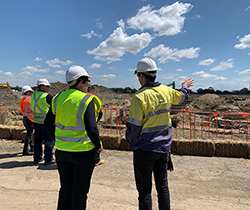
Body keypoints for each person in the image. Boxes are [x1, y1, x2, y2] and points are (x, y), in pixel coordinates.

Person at [126, 57, 194, 210]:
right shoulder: (166, 91)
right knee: (162, 187)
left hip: (144, 149)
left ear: (141, 76)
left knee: (144, 192)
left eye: (138, 76)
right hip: (163, 149)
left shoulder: (139, 97)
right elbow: (183, 97)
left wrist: (132, 144)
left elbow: (133, 127)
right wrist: (184, 86)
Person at [44, 65, 103, 210]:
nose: (88, 85)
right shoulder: (86, 100)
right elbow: (92, 128)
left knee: (65, 189)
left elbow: (47, 123)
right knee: (79, 192)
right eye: (87, 81)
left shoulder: (57, 98)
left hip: (62, 152)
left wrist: (57, 138)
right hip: (83, 153)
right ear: (80, 82)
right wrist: (98, 145)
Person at [30, 78, 55, 165]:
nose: (48, 88)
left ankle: (37, 158)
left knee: (38, 140)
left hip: (36, 121)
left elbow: (31, 107)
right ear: (43, 86)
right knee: (49, 141)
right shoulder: (47, 96)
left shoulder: (33, 95)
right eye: (47, 86)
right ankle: (48, 159)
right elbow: (55, 108)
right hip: (46, 123)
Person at [86, 90, 105, 166]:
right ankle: (96, 160)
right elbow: (100, 112)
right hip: (92, 122)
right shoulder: (93, 97)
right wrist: (95, 121)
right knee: (94, 139)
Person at [20, 85, 34, 156]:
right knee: (29, 134)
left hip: (25, 118)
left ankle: (32, 147)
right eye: (31, 92)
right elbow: (32, 109)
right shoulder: (29, 100)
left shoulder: (23, 100)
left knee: (29, 133)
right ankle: (25, 150)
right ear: (27, 92)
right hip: (29, 118)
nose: (32, 93)